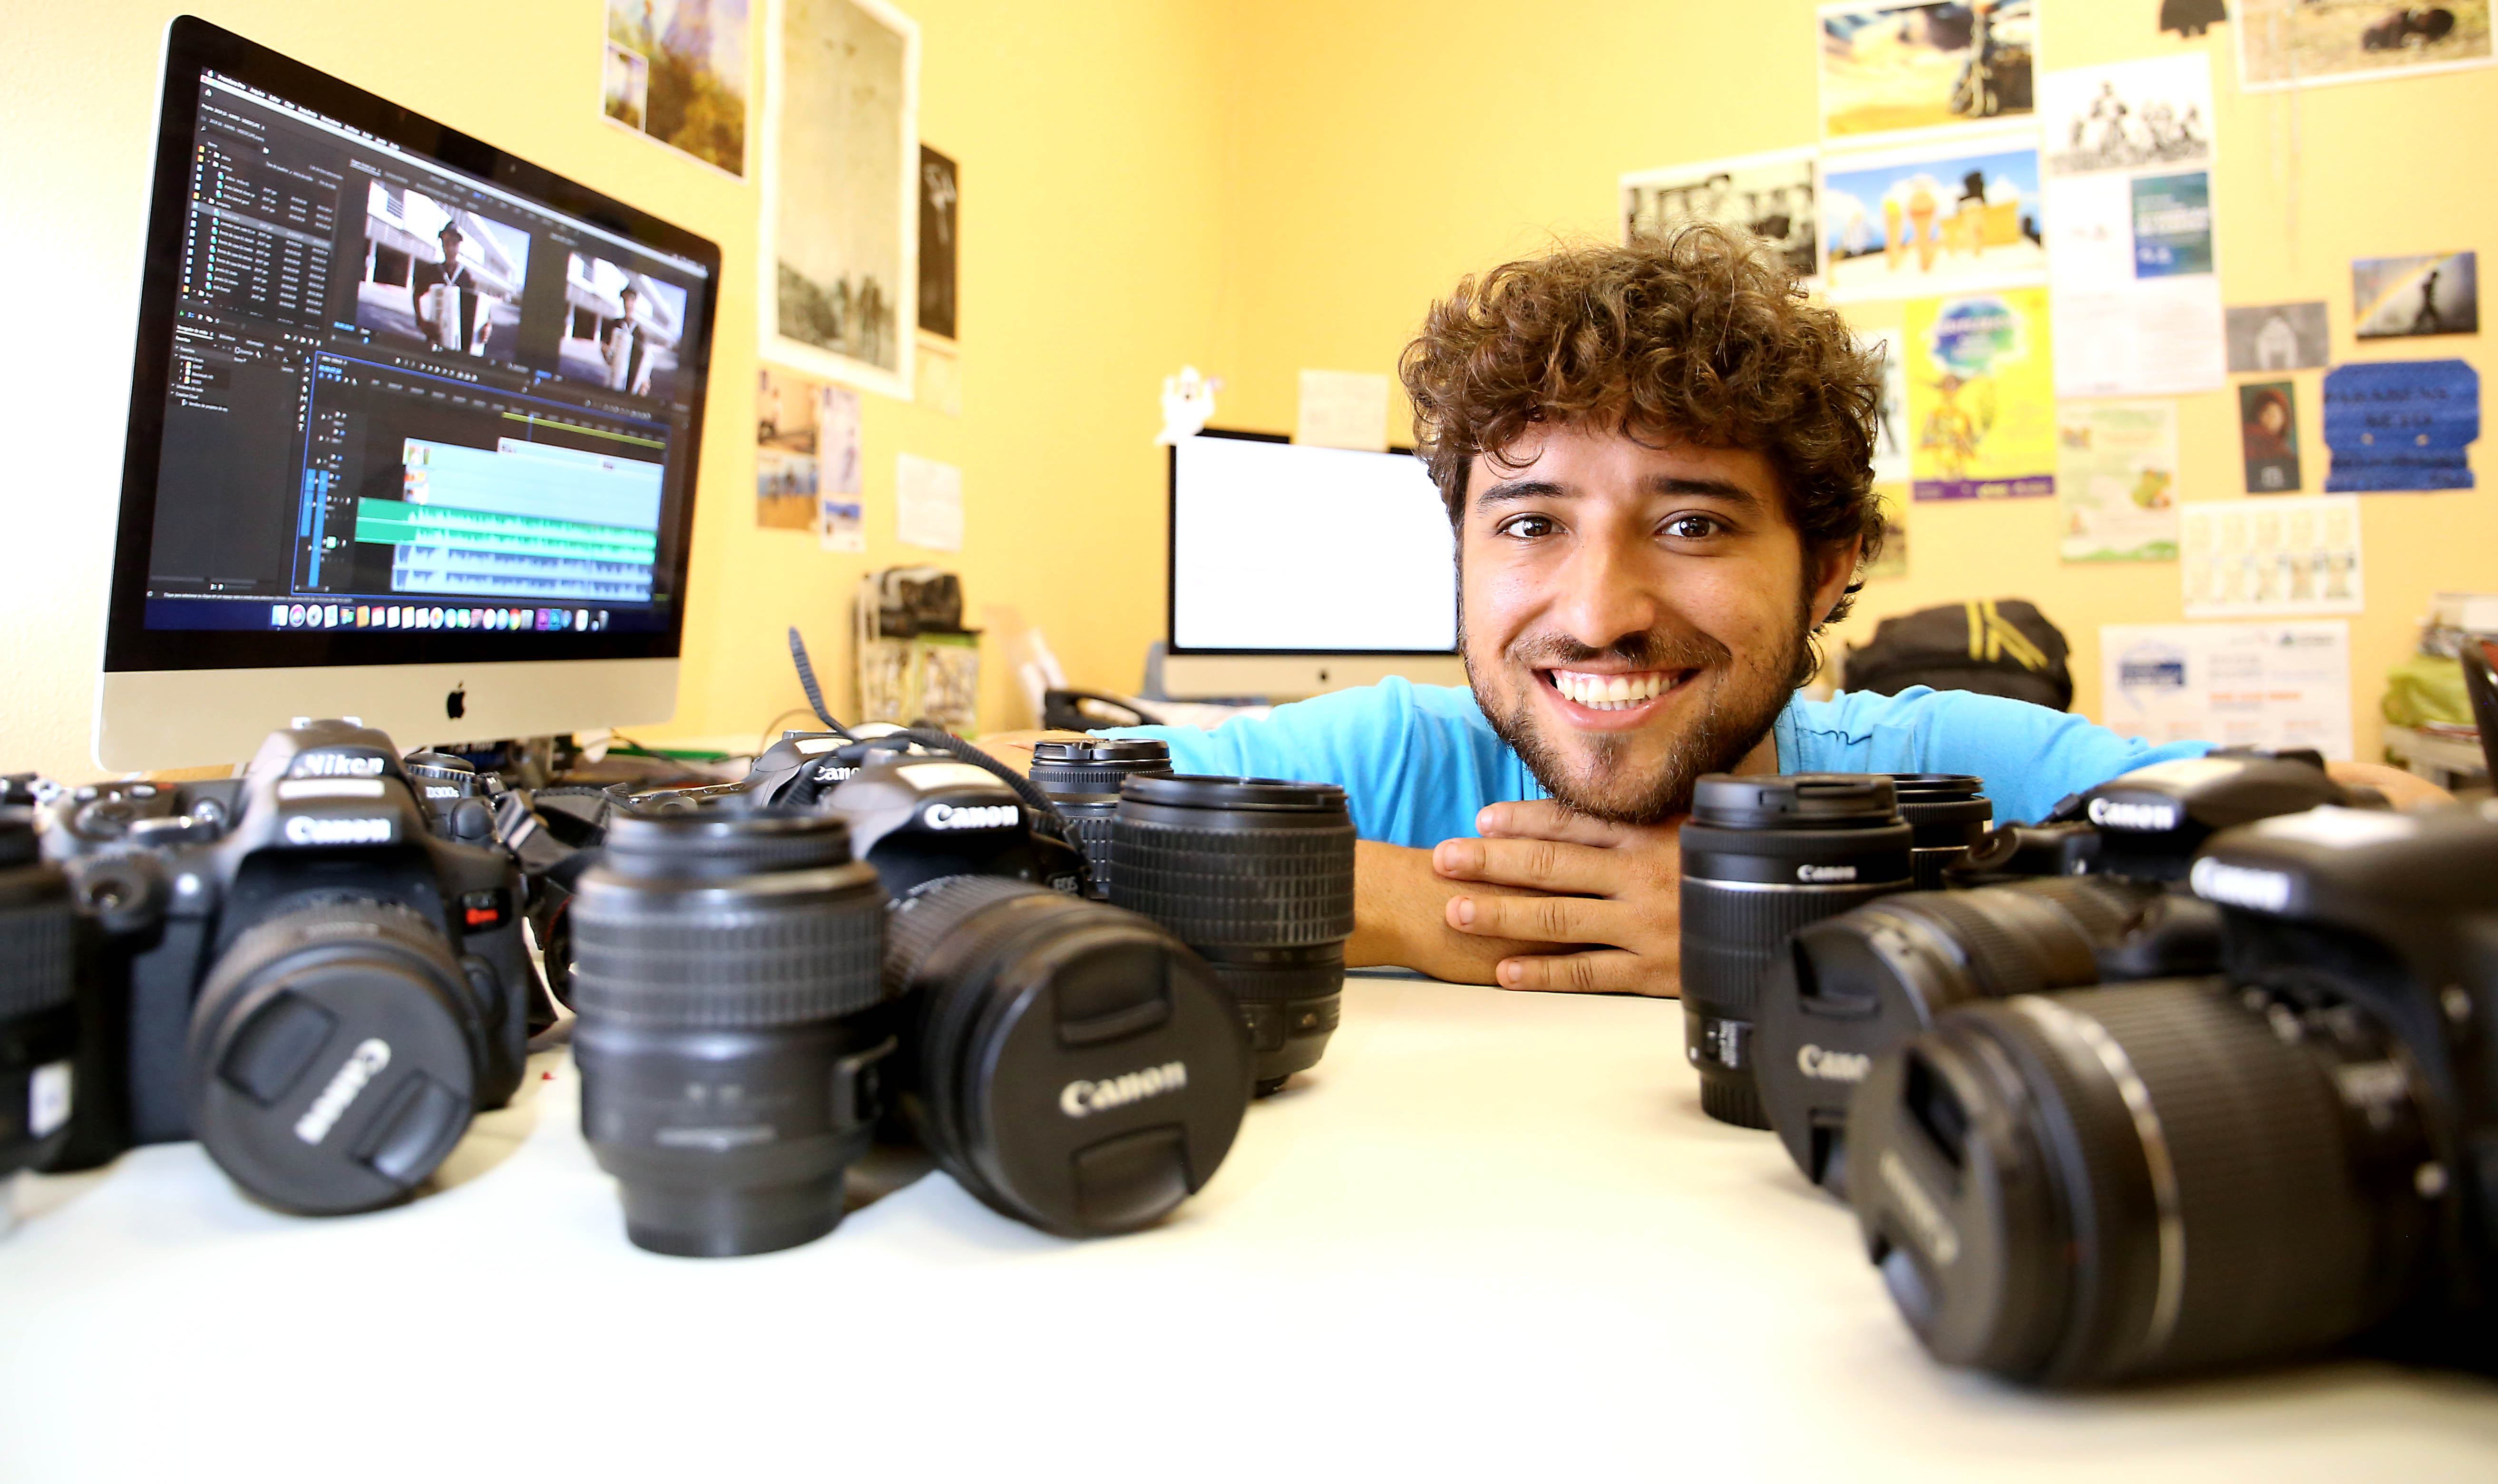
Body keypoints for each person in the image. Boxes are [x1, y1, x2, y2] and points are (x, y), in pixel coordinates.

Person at [988, 226, 2444, 995]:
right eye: (1529, 523)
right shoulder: (1381, 765)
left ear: (1827, 567)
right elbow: (953, 829)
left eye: (1688, 523)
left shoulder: (1948, 765)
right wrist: (1389, 896)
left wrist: (1828, 921)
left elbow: (2380, 842)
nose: (1600, 610)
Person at [410, 222, 485, 354]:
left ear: (459, 246)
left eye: (454, 243)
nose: (450, 248)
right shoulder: (431, 271)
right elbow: (417, 295)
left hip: (460, 343)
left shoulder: (467, 276)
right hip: (434, 338)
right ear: (442, 245)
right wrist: (421, 321)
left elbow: (480, 310)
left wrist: (486, 327)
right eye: (447, 242)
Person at [605, 285, 653, 394]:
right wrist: (606, 351)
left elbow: (646, 363)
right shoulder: (614, 325)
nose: (628, 304)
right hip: (613, 383)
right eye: (625, 300)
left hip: (631, 388)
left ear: (636, 302)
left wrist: (646, 383)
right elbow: (605, 348)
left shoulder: (641, 333)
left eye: (631, 299)